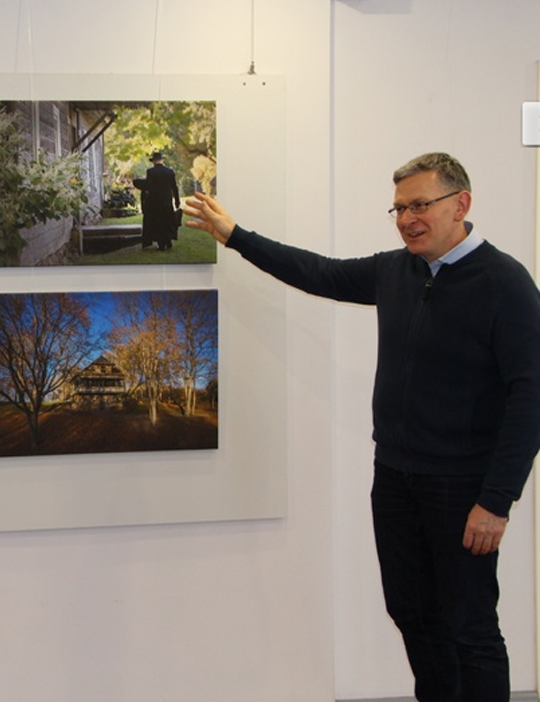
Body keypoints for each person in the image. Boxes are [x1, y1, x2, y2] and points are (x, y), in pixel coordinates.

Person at [182, 152, 540, 701]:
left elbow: (531, 395)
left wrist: (496, 500)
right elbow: (318, 273)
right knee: (411, 612)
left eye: (419, 205)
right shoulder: (397, 271)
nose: (407, 220)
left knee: (470, 627)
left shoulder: (505, 283)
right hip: (395, 478)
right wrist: (235, 236)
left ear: (461, 204)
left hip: (462, 487)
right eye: (399, 209)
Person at [136, 151, 180, 250]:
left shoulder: (150, 172)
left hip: (154, 202)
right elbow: (174, 187)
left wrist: (139, 183)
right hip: (167, 201)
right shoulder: (170, 171)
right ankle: (168, 241)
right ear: (162, 160)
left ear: (154, 161)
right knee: (166, 221)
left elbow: (148, 186)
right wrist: (177, 200)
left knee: (157, 222)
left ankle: (161, 244)